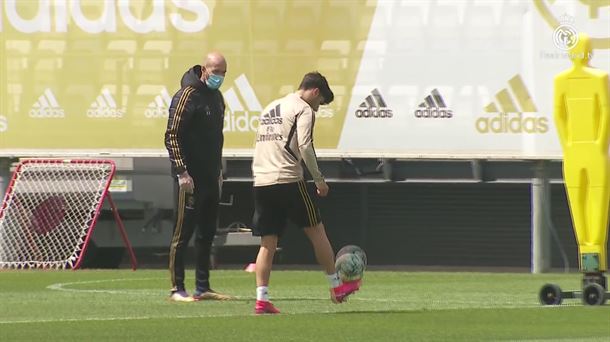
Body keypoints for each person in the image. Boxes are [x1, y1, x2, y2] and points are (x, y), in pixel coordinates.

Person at [251, 72, 360, 314]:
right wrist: (319, 180)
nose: (318, 109)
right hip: (288, 179)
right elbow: (305, 146)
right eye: (320, 103)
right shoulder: (304, 109)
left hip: (261, 180)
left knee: (267, 242)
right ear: (315, 92)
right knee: (316, 230)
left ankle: (261, 299)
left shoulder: (271, 107)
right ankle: (336, 287)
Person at [164, 52, 233, 302]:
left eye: (224, 72)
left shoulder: (217, 98)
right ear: (204, 69)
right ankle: (177, 288)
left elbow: (216, 138)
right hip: (189, 178)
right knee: (182, 233)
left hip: (210, 176)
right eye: (216, 71)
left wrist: (218, 171)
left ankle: (203, 287)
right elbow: (172, 135)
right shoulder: (186, 96)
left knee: (207, 232)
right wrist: (182, 171)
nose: (220, 77)